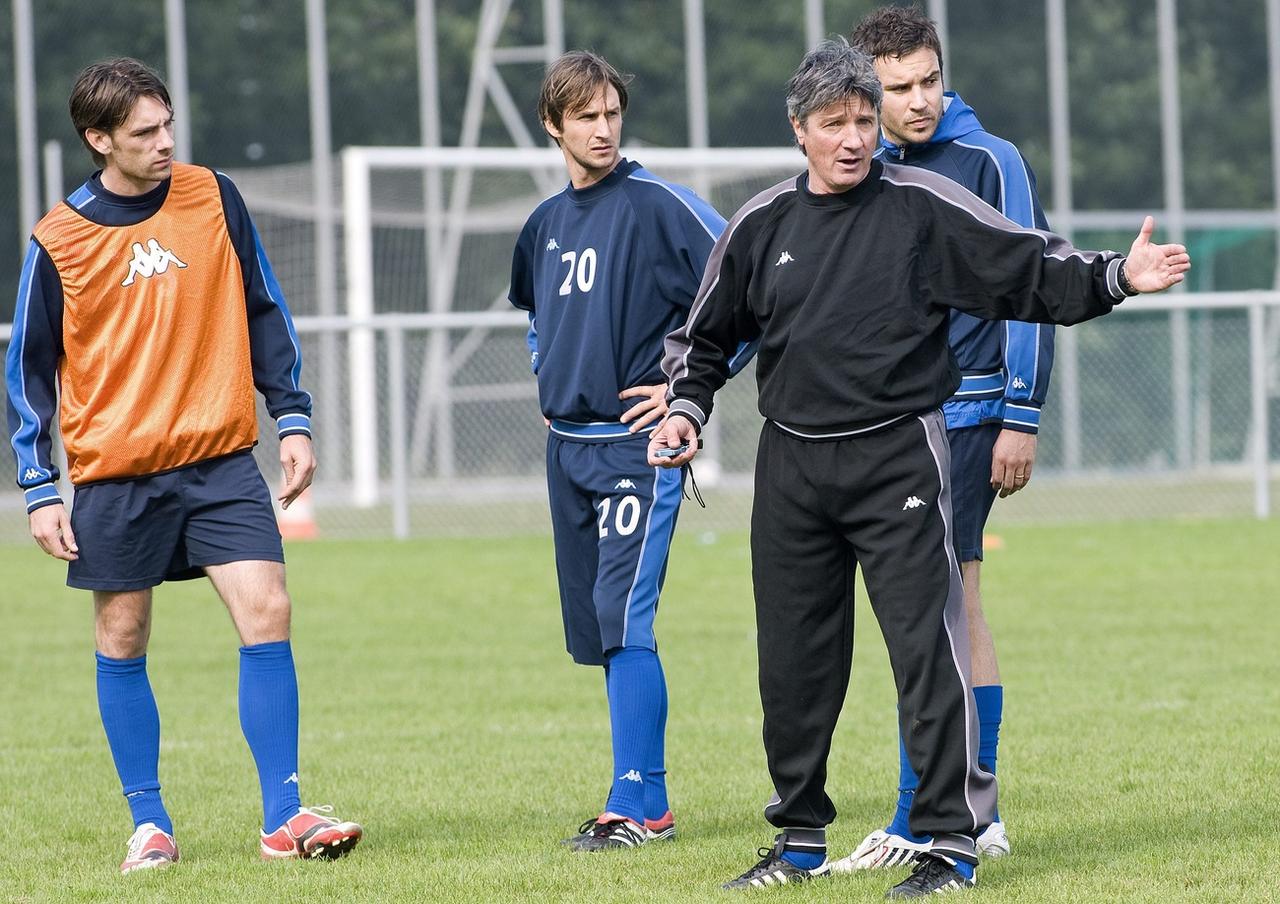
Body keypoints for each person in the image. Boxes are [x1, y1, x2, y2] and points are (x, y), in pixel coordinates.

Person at [648, 39, 1188, 898]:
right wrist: (685, 408)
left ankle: (950, 843)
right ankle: (796, 842)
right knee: (792, 663)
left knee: (928, 653)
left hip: (899, 453)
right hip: (789, 465)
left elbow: (1027, 267)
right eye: (836, 124)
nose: (856, 138)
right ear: (801, 130)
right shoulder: (760, 225)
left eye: (866, 120)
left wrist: (1119, 276)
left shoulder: (921, 205)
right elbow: (704, 338)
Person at [5, 58, 361, 874]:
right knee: (122, 633)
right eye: (143, 133)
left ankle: (284, 817)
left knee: (268, 607)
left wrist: (293, 417)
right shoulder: (58, 240)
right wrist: (37, 487)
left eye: (168, 125)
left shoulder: (214, 197)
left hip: (219, 458)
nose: (165, 142)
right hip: (115, 475)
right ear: (99, 140)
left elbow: (264, 307)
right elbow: (26, 369)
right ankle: (150, 824)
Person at [834, 5, 1052, 868]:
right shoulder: (869, 166)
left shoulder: (990, 161)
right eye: (898, 88)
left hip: (967, 416)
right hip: (891, 419)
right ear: (868, 88)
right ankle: (968, 802)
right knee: (946, 606)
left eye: (929, 81)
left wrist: (1021, 415)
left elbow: (1031, 278)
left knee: (937, 610)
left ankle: (928, 814)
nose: (919, 101)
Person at [508, 51, 741, 851]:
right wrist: (551, 380)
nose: (604, 129)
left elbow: (744, 293)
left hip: (641, 451)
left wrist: (684, 396)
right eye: (586, 117)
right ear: (554, 125)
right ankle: (627, 789)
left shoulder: (659, 205)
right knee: (598, 633)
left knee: (624, 618)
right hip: (567, 453)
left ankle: (644, 804)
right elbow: (538, 318)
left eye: (612, 113)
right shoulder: (542, 224)